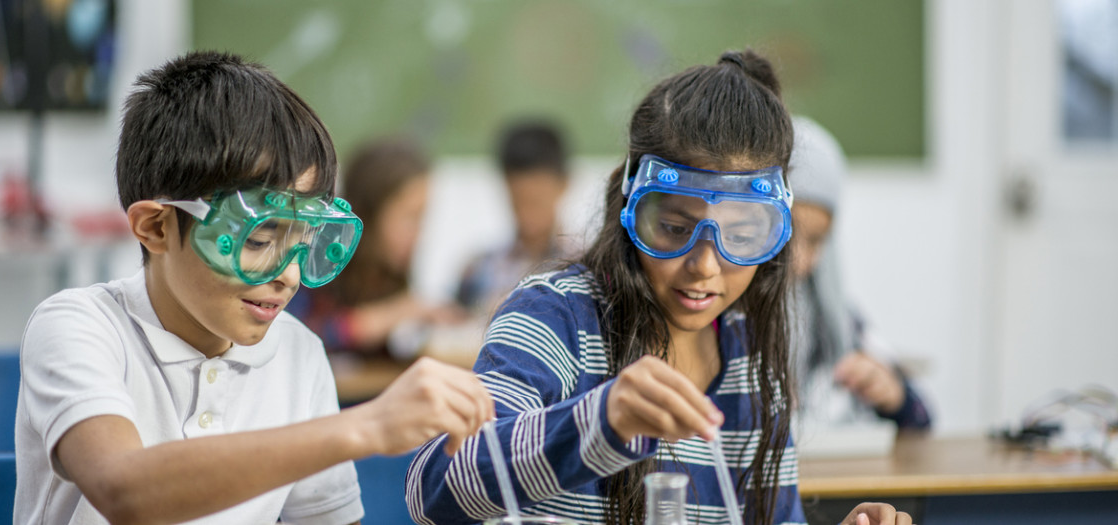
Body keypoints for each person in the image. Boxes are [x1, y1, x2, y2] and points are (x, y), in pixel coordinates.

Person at [406, 50, 911, 525]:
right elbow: (432, 488)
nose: (705, 266)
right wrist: (600, 421)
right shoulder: (555, 317)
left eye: (741, 235)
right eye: (673, 227)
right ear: (630, 206)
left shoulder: (751, 362)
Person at [14, 51, 494, 525]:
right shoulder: (78, 326)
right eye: (259, 238)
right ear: (157, 228)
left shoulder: (298, 354)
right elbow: (123, 489)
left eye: (303, 240)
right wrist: (365, 426)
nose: (289, 274)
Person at [788, 116, 931, 430]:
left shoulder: (837, 317)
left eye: (815, 241)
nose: (798, 261)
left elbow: (921, 417)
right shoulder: (723, 318)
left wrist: (890, 391)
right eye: (786, 233)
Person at [295, 136, 465, 361]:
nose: (418, 234)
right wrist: (391, 315)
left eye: (423, 219)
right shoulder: (315, 260)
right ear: (370, 214)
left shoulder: (388, 275)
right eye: (410, 218)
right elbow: (296, 334)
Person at [456, 119, 576, 316]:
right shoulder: (478, 270)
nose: (527, 215)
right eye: (517, 202)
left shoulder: (587, 265)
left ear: (564, 184)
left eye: (536, 201)